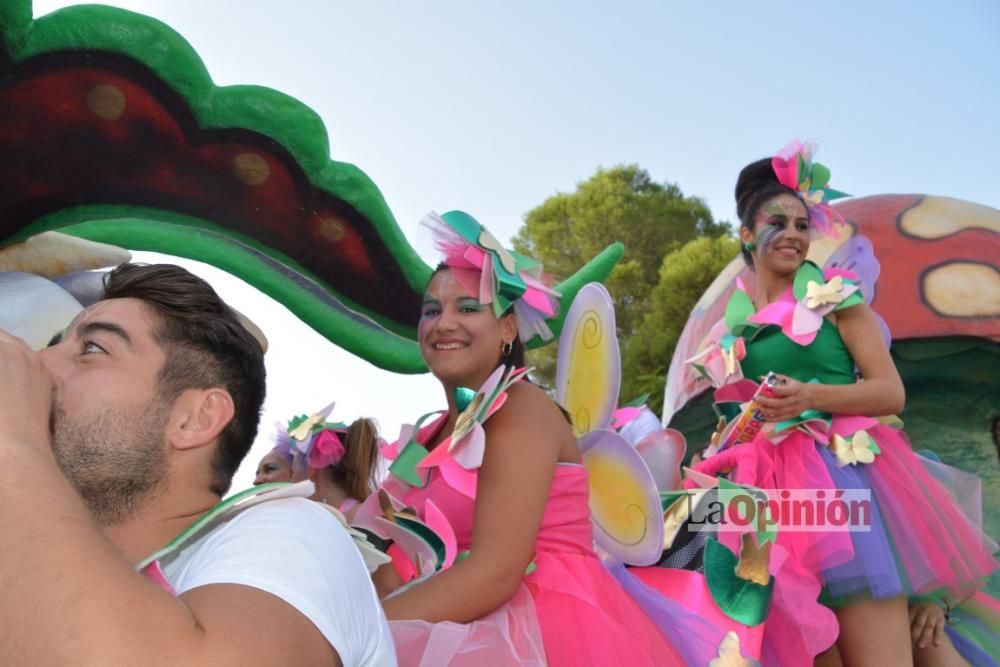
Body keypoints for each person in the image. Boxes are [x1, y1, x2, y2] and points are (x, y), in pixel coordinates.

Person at [688, 140, 997, 665]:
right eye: (776, 222)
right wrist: (722, 442)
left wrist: (808, 398)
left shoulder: (836, 296)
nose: (792, 233)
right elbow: (739, 410)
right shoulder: (730, 326)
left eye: (802, 225)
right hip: (763, 499)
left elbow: (888, 391)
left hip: (845, 482)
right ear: (745, 233)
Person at [0, 262, 396, 666]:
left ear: (196, 420)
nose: (38, 361)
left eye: (93, 349)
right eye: (51, 343)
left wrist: (13, 444)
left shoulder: (293, 530)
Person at [377, 211, 722, 666]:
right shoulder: (427, 434)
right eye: (431, 310)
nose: (444, 323)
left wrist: (359, 633)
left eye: (467, 308)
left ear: (507, 328)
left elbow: (496, 573)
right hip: (451, 629)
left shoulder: (519, 407)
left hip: (547, 634)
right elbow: (390, 548)